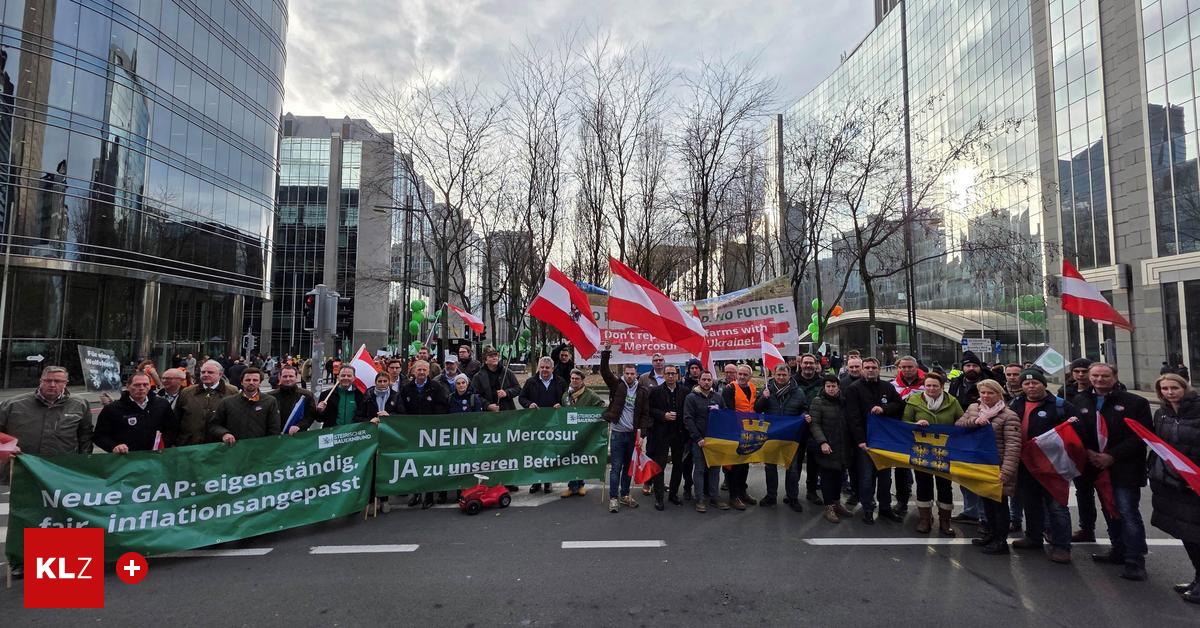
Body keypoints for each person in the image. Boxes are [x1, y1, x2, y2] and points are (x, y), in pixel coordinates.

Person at [1076, 362, 1153, 581]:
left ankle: (1135, 559)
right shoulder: (1081, 400)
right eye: (1096, 376)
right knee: (1109, 510)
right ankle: (1118, 550)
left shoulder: (1135, 402)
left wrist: (1112, 456)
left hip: (1124, 467)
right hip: (1095, 467)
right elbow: (1077, 431)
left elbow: (1141, 436)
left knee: (1127, 512)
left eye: (1105, 376)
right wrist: (1089, 453)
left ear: (1115, 377)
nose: (1099, 380)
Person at [1011, 369, 1080, 564]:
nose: (1031, 387)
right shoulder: (1016, 403)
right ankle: (1033, 537)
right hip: (1025, 463)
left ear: (1044, 384)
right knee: (1030, 503)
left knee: (1057, 506)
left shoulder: (1060, 406)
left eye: (1035, 383)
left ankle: (1062, 546)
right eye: (1026, 384)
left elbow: (1075, 432)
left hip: (1052, 465)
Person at [1147, 374, 1200, 602]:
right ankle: (1198, 579)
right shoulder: (1162, 414)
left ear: (1184, 387)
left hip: (1195, 482)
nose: (1170, 392)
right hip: (1173, 483)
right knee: (1186, 534)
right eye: (1165, 389)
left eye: (1174, 388)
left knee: (1197, 535)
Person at [955, 379, 1020, 554]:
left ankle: (1001, 541)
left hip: (997, 467)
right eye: (983, 392)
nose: (986, 396)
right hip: (980, 466)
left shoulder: (1009, 416)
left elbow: (1013, 447)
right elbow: (958, 426)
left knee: (999, 505)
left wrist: (1006, 471)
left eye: (990, 393)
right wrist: (974, 421)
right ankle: (990, 534)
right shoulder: (973, 409)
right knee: (986, 504)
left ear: (999, 394)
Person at [902, 372, 964, 536]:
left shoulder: (952, 401)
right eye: (928, 385)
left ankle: (945, 521)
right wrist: (915, 424)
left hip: (944, 452)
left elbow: (961, 420)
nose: (931, 388)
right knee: (923, 484)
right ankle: (924, 519)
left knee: (945, 486)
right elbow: (904, 423)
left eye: (935, 385)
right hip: (921, 451)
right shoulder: (914, 401)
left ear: (942, 386)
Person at [844, 357, 905, 524]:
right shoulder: (854, 389)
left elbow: (899, 406)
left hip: (884, 441)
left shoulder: (888, 387)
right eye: (867, 367)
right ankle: (868, 509)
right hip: (866, 441)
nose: (870, 370)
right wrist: (860, 440)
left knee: (885, 477)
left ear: (879, 369)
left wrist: (884, 409)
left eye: (874, 367)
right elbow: (853, 417)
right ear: (862, 369)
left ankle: (885, 507)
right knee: (866, 477)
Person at [600, 343, 651, 513]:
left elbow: (645, 414)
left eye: (632, 374)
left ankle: (625, 494)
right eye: (627, 374)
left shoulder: (642, 391)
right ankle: (613, 498)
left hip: (632, 435)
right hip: (617, 434)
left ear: (636, 375)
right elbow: (605, 372)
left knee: (629, 467)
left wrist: (642, 434)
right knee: (616, 467)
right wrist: (606, 352)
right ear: (623, 374)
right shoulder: (617, 385)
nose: (629, 376)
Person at [754, 363, 809, 510]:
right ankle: (771, 496)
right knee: (770, 467)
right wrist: (764, 398)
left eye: (784, 375)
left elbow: (804, 409)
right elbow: (757, 409)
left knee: (792, 469)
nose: (781, 377)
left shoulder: (798, 392)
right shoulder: (767, 390)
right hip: (771, 435)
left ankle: (793, 497)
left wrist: (804, 416)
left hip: (790, 436)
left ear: (789, 375)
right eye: (778, 374)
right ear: (774, 375)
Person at [402, 360, 450, 508]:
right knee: (414, 462)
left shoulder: (436, 387)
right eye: (419, 370)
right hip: (413, 431)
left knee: (430, 463)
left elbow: (443, 405)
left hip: (431, 431)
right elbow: (401, 406)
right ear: (413, 372)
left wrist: (433, 421)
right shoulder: (406, 388)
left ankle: (428, 495)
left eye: (424, 370)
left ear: (428, 372)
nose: (421, 372)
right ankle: (415, 493)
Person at [94, 372, 178, 452]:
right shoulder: (112, 409)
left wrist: (165, 444)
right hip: (125, 459)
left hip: (155, 457)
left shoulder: (162, 404)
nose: (141, 388)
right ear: (128, 386)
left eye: (145, 385)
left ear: (149, 386)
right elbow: (99, 436)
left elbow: (172, 429)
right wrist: (114, 446)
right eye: (137, 385)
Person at [809, 375, 853, 523]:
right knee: (827, 478)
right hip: (827, 446)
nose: (831, 389)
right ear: (824, 387)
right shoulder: (818, 401)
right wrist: (822, 442)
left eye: (834, 386)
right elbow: (814, 424)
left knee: (839, 476)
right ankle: (828, 507)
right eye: (828, 386)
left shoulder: (844, 401)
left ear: (838, 387)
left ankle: (836, 503)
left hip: (842, 446)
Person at [683, 370, 729, 513]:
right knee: (700, 470)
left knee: (715, 469)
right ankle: (700, 499)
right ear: (699, 381)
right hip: (699, 441)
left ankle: (714, 497)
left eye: (709, 380)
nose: (707, 382)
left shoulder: (718, 397)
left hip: (715, 441)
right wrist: (698, 438)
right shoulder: (691, 398)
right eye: (704, 379)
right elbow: (688, 419)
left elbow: (725, 415)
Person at [519, 356, 566, 494]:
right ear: (539, 367)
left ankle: (547, 481)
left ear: (552, 368)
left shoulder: (560, 382)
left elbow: (568, 398)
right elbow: (522, 398)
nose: (544, 370)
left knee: (550, 452)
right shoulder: (530, 382)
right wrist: (529, 404)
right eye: (542, 367)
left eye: (547, 367)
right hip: (536, 424)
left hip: (553, 423)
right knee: (536, 452)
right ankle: (536, 480)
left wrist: (562, 405)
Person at [646, 364, 689, 510]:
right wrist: (663, 415)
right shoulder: (656, 391)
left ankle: (674, 494)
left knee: (678, 465)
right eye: (668, 373)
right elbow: (649, 409)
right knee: (660, 466)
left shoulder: (684, 391)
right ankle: (659, 497)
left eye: (673, 373)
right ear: (663, 375)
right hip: (661, 433)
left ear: (678, 375)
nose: (671, 376)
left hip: (679, 433)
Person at [561, 368, 605, 498]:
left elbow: (602, 406)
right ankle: (571, 486)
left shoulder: (590, 395)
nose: (574, 381)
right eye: (573, 378)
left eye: (577, 379)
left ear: (582, 380)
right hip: (569, 434)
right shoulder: (565, 396)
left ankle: (580, 485)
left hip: (584, 432)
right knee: (571, 459)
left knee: (580, 459)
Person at [721, 364, 760, 510]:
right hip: (734, 432)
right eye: (740, 374)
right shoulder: (729, 389)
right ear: (737, 375)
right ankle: (733, 496)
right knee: (733, 465)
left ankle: (743, 492)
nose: (742, 377)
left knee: (745, 463)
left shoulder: (753, 388)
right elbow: (728, 412)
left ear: (750, 376)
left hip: (749, 432)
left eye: (745, 375)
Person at [208, 368, 281, 444]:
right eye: (248, 380)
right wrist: (224, 434)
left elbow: (274, 429)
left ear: (260, 383)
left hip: (260, 450)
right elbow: (214, 425)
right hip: (233, 449)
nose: (251, 382)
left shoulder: (270, 401)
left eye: (255, 380)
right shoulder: (227, 402)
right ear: (242, 382)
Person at [175, 360, 239, 445]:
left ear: (220, 374)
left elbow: (236, 419)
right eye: (203, 372)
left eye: (210, 372)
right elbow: (176, 419)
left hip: (219, 445)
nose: (205, 375)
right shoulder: (187, 392)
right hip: (189, 445)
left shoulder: (232, 392)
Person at [793, 354, 825, 505]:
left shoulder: (823, 382)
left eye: (811, 363)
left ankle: (811, 491)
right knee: (795, 461)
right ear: (801, 364)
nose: (808, 366)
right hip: (797, 426)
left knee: (814, 462)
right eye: (805, 363)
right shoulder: (792, 381)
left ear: (816, 364)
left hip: (816, 427)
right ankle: (792, 491)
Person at [272, 365, 320, 434]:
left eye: (291, 376)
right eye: (285, 376)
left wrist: (299, 426)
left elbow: (310, 416)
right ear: (279, 378)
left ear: (296, 378)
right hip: (275, 437)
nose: (288, 379)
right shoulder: (271, 396)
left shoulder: (306, 395)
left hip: (298, 436)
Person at [472, 346, 521, 412]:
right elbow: (475, 395)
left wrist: (506, 393)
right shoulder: (477, 377)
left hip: (507, 412)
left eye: (496, 355)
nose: (494, 358)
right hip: (487, 414)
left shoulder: (507, 372)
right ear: (485, 361)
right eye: (491, 356)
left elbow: (518, 388)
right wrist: (487, 406)